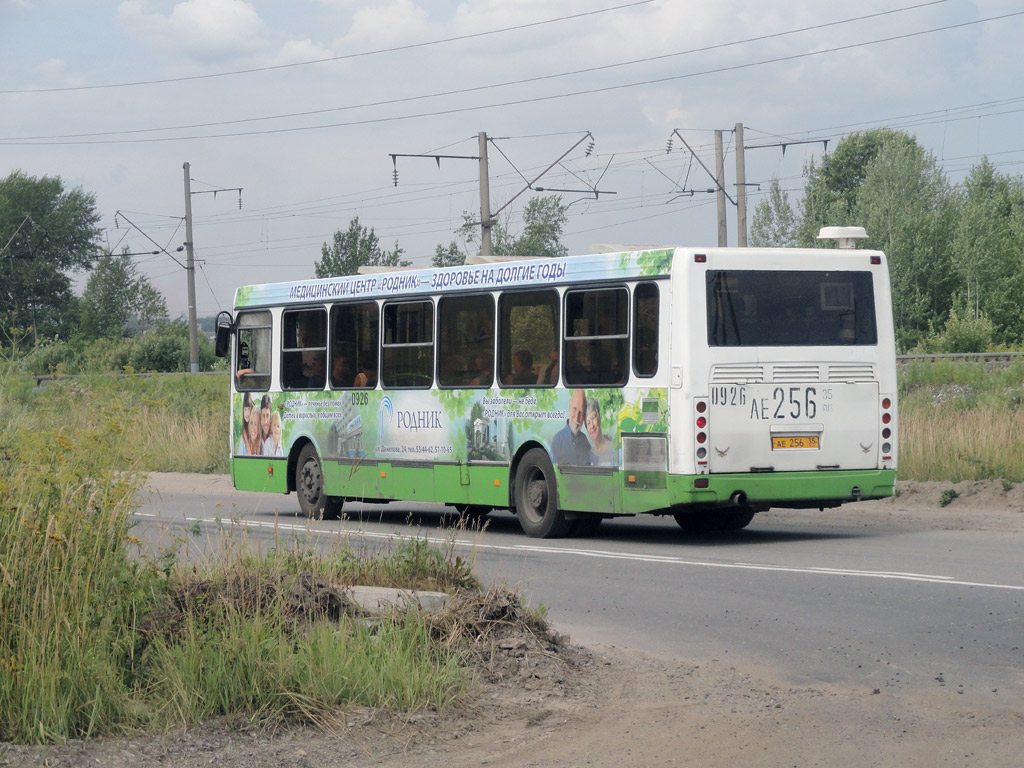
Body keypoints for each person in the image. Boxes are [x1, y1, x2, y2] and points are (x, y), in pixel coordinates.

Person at [551, 388, 591, 466]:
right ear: (569, 405)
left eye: (581, 413)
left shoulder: (585, 441)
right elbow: (551, 470)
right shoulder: (558, 440)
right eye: (574, 409)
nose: (576, 417)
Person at [585, 397, 615, 466]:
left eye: (593, 418)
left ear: (599, 418)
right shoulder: (588, 455)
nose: (592, 426)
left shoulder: (614, 448)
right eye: (588, 423)